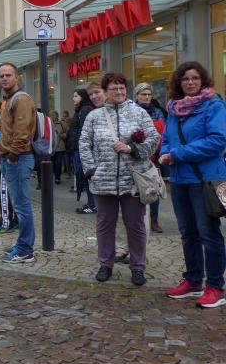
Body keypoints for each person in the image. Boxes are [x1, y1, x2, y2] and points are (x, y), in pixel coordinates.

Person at [79, 72, 159, 286]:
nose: (119, 91)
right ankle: (105, 264)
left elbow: (154, 139)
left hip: (132, 180)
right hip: (102, 180)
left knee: (135, 225)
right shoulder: (94, 116)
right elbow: (84, 144)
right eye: (114, 88)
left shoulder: (138, 113)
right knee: (105, 224)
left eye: (122, 87)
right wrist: (91, 171)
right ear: (105, 92)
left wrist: (132, 148)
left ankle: (138, 266)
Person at [160, 62, 226, 308]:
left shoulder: (213, 106)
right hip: (179, 180)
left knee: (209, 234)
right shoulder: (174, 109)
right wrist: (164, 153)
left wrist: (177, 154)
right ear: (179, 82)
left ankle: (215, 286)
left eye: (195, 78)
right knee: (188, 233)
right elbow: (167, 138)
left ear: (203, 80)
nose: (190, 82)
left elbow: (217, 141)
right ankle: (193, 280)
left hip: (205, 180)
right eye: (186, 78)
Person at [0, 62, 37, 264]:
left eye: (8, 75)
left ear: (17, 77)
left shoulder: (20, 99)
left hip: (18, 159)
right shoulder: (10, 99)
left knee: (21, 206)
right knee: (20, 204)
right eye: (1, 76)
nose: (4, 78)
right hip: (12, 158)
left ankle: (25, 249)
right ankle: (23, 245)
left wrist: (12, 156)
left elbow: (22, 132)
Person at [134, 82, 167, 233]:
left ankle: (154, 219)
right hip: (136, 156)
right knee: (136, 188)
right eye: (143, 94)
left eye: (149, 94)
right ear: (137, 96)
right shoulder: (132, 111)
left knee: (154, 188)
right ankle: (138, 219)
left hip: (154, 155)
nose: (147, 97)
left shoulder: (157, 111)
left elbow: (162, 133)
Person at [66, 89, 97, 214]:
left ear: (82, 97)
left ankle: (92, 204)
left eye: (75, 96)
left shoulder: (84, 110)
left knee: (87, 175)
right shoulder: (81, 110)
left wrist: (80, 145)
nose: (73, 98)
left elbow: (85, 131)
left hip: (81, 149)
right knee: (85, 176)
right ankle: (92, 203)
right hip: (78, 148)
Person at [50, 111, 67, 185]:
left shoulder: (61, 124)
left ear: (57, 116)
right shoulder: (49, 124)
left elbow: (67, 133)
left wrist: (61, 135)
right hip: (51, 148)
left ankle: (57, 178)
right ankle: (54, 175)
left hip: (60, 147)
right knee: (52, 163)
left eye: (53, 115)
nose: (52, 117)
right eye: (51, 115)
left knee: (58, 163)